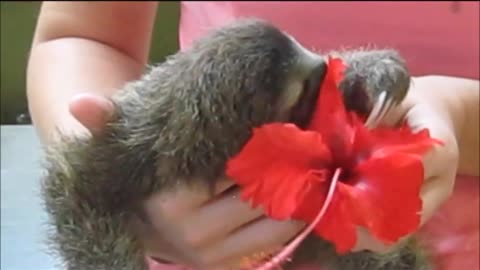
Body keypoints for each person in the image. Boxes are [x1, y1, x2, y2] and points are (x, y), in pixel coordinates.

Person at [26, 1, 479, 269]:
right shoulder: (150, 147)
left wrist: (457, 113)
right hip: (198, 246)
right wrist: (129, 194)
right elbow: (80, 35)